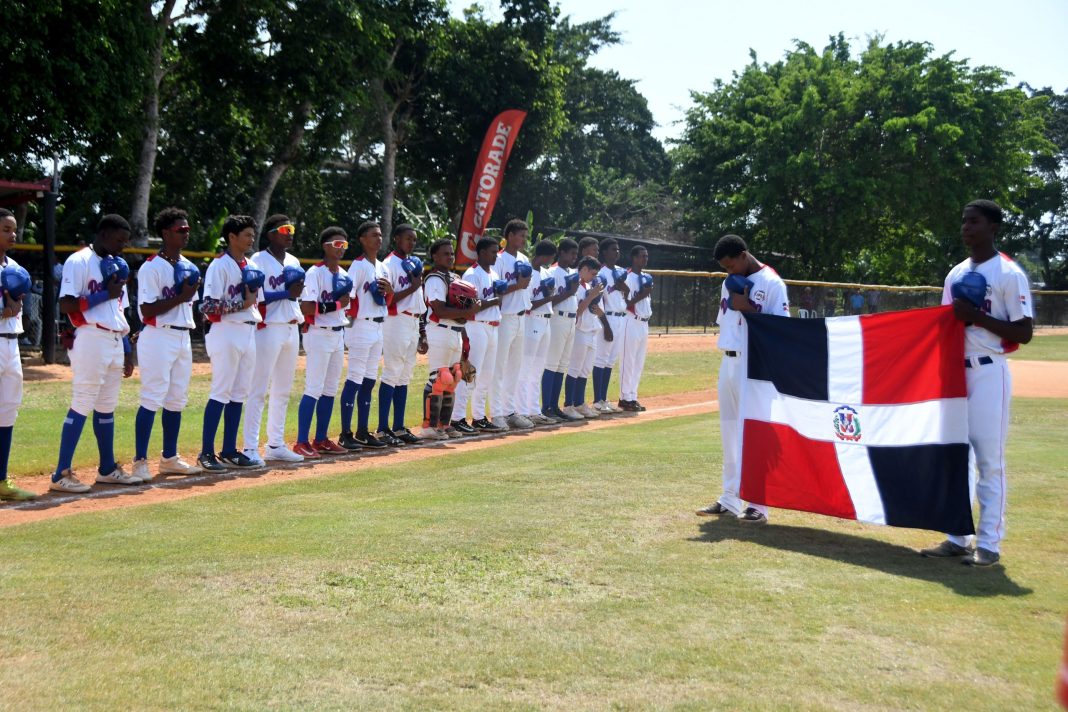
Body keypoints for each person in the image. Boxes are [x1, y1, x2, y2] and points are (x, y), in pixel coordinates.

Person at [921, 199, 1034, 567]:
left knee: (989, 461)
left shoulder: (1008, 273)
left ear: (992, 227)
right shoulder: (955, 274)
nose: (966, 228)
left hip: (988, 371)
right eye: (964, 221)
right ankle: (957, 537)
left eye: (974, 222)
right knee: (957, 458)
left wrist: (976, 317)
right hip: (956, 371)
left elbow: (1024, 332)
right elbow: (946, 324)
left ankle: (988, 544)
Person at [696, 234, 790, 525]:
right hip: (729, 361)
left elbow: (782, 330)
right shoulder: (729, 283)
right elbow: (726, 321)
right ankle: (730, 498)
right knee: (730, 434)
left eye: (731, 265)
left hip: (755, 365)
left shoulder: (772, 283)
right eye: (724, 268)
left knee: (755, 434)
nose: (729, 271)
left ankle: (758, 504)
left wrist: (747, 308)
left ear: (743, 255)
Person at [51, 214, 140, 492]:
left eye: (125, 241)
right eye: (119, 240)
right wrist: (104, 294)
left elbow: (120, 311)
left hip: (114, 339)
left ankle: (107, 468)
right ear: (103, 235)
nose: (123, 246)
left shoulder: (118, 265)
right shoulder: (79, 261)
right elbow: (66, 304)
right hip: (90, 337)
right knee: (83, 401)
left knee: (107, 406)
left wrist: (127, 350)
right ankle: (60, 473)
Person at [131, 207, 204, 484]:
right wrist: (181, 296)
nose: (186, 233)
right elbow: (147, 309)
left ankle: (169, 458)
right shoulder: (151, 267)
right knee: (152, 397)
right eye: (180, 229)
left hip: (183, 336)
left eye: (187, 229)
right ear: (165, 233)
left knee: (176, 399)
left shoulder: (189, 266)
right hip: (158, 335)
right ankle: (140, 461)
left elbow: (188, 305)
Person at [197, 214, 261, 472]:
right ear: (232, 237)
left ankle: (229, 450)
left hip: (248, 331)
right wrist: (243, 303)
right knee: (221, 392)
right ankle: (206, 453)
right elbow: (208, 306)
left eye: (252, 234)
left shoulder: (250, 264)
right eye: (247, 234)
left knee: (239, 393)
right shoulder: (219, 265)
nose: (251, 238)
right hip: (226, 331)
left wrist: (248, 304)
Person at [242, 214, 306, 465]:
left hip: (291, 327)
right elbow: (254, 297)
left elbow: (296, 296)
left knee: (283, 390)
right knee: (258, 389)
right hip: (268, 328)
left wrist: (292, 294)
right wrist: (285, 293)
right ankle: (250, 447)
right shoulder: (257, 260)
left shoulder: (293, 260)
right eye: (284, 229)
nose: (290, 234)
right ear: (270, 234)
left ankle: (276, 444)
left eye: (292, 229)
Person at [293, 226, 352, 458]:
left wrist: (338, 307)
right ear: (325, 246)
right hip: (318, 333)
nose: (341, 248)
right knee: (314, 388)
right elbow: (307, 307)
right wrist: (336, 304)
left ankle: (321, 439)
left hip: (338, 333)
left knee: (330, 389)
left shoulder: (345, 275)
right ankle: (301, 442)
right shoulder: (314, 273)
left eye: (344, 244)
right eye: (337, 244)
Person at [339, 221, 393, 449]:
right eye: (373, 235)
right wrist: (350, 325)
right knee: (355, 378)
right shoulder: (358, 266)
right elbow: (347, 298)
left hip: (379, 326)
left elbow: (388, 300)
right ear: (362, 239)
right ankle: (345, 433)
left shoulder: (383, 267)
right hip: (361, 326)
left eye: (380, 235)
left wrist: (390, 291)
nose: (378, 239)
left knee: (369, 380)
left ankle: (363, 431)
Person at [419, 239, 479, 439]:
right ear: (435, 256)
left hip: (455, 331)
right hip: (439, 330)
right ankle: (428, 426)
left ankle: (444, 425)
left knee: (453, 378)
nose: (450, 257)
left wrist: (465, 337)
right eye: (445, 253)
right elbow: (439, 309)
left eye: (451, 253)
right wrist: (468, 312)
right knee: (439, 378)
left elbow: (461, 311)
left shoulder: (454, 277)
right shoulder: (434, 279)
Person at [377, 224, 424, 445]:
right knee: (392, 373)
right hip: (396, 321)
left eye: (414, 240)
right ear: (396, 238)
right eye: (407, 238)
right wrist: (413, 287)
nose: (411, 243)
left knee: (405, 376)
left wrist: (422, 331)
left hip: (413, 321)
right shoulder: (388, 265)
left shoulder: (414, 263)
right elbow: (386, 300)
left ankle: (398, 427)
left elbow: (418, 301)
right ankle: (382, 428)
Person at [450, 236, 504, 433]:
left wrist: (497, 299)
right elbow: (469, 306)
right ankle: (457, 418)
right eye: (493, 252)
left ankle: (479, 417)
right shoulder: (472, 275)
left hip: (493, 327)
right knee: (469, 374)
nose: (496, 255)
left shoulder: (494, 273)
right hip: (476, 327)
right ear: (482, 252)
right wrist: (494, 300)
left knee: (486, 376)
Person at [0, 209, 34, 500]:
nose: (13, 234)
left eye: (13, 229)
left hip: (12, 346)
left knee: (8, 410)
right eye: (6, 230)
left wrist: (12, 310)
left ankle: (1, 480)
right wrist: (4, 311)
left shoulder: (15, 267)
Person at [490, 219, 534, 431]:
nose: (524, 239)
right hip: (505, 317)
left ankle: (510, 411)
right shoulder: (498, 259)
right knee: (499, 367)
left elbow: (527, 288)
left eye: (525, 236)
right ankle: (496, 414)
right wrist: (517, 285)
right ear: (510, 236)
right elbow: (495, 290)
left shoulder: (524, 259)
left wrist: (520, 286)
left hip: (521, 316)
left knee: (515, 367)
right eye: (521, 235)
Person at [541, 238, 581, 421]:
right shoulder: (551, 272)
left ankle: (555, 406)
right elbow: (549, 301)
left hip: (571, 320)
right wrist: (569, 292)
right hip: (557, 319)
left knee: (562, 365)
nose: (574, 257)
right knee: (551, 364)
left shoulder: (573, 272)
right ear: (562, 252)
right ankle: (546, 407)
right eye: (571, 253)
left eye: (576, 254)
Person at [518, 239, 558, 425]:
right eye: (550, 257)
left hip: (546, 321)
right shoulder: (528, 272)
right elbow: (528, 304)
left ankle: (534, 410)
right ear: (544, 256)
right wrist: (548, 296)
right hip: (532, 319)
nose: (551, 260)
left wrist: (549, 295)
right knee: (526, 368)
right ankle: (522, 410)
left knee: (538, 369)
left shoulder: (546, 272)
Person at [562, 256, 606, 419]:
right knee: (575, 368)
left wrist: (596, 304)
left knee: (585, 370)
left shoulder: (588, 286)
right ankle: (568, 405)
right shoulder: (576, 286)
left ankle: (579, 403)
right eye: (593, 273)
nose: (594, 277)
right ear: (584, 269)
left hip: (592, 330)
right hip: (580, 331)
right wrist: (591, 296)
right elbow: (577, 311)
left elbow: (593, 309)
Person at [591, 238, 628, 413]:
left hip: (621, 317)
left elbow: (626, 295)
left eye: (618, 249)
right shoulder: (601, 273)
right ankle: (597, 400)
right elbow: (600, 302)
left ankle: (604, 399)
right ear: (605, 252)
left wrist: (624, 287)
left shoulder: (621, 271)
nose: (617, 252)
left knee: (610, 361)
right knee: (601, 359)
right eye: (613, 249)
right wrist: (605, 325)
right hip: (607, 318)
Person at [618, 245, 653, 413]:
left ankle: (632, 396)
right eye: (642, 256)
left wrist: (645, 293)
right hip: (630, 321)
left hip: (644, 323)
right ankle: (624, 398)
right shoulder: (626, 276)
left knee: (638, 362)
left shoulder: (646, 277)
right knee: (628, 361)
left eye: (646, 256)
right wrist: (642, 294)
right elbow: (625, 303)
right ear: (634, 258)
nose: (645, 259)